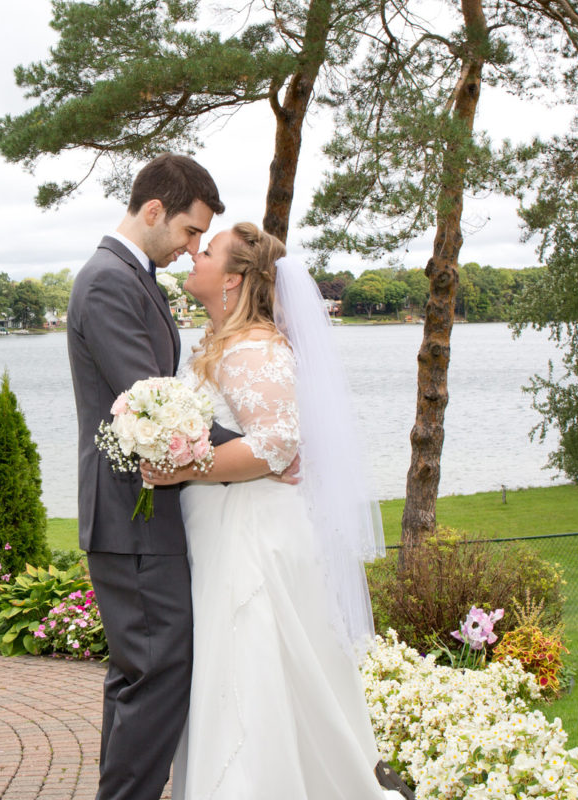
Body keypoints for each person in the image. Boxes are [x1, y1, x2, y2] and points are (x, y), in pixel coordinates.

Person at [142, 221, 408, 799]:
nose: (194, 255)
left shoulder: (254, 347)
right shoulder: (222, 344)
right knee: (246, 673)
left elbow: (275, 443)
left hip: (252, 535)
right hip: (222, 529)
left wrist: (183, 467)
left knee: (252, 669)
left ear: (233, 279)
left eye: (206, 252)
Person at [67, 153, 237, 800]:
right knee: (158, 671)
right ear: (154, 210)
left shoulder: (132, 277)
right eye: (192, 232)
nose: (194, 248)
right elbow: (154, 405)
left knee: (140, 674)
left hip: (144, 518)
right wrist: (259, 453)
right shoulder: (109, 281)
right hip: (130, 516)